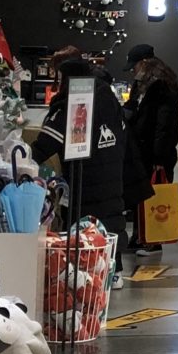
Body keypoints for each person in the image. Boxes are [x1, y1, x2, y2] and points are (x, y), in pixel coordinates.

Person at [36, 48, 145, 278]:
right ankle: (113, 270)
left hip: (84, 182)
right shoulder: (109, 100)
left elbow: (45, 145)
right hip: (113, 178)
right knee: (109, 221)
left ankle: (87, 276)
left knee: (85, 228)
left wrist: (22, 161)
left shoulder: (72, 105)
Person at [125, 48, 178, 255]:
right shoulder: (144, 84)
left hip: (155, 154)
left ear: (144, 63)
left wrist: (159, 157)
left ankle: (153, 240)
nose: (132, 71)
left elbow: (164, 125)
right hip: (143, 151)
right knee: (141, 195)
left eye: (134, 66)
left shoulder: (161, 87)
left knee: (153, 197)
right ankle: (141, 236)